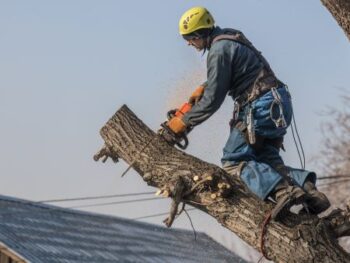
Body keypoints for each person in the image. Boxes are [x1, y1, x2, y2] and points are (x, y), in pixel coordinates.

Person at [163, 6, 330, 220]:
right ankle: (311, 193)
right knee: (266, 158)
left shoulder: (218, 50)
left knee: (233, 161)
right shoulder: (232, 35)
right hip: (279, 103)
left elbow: (213, 100)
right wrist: (204, 87)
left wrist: (183, 122)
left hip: (260, 105)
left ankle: (282, 192)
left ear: (198, 34)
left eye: (190, 39)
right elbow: (234, 73)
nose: (189, 43)